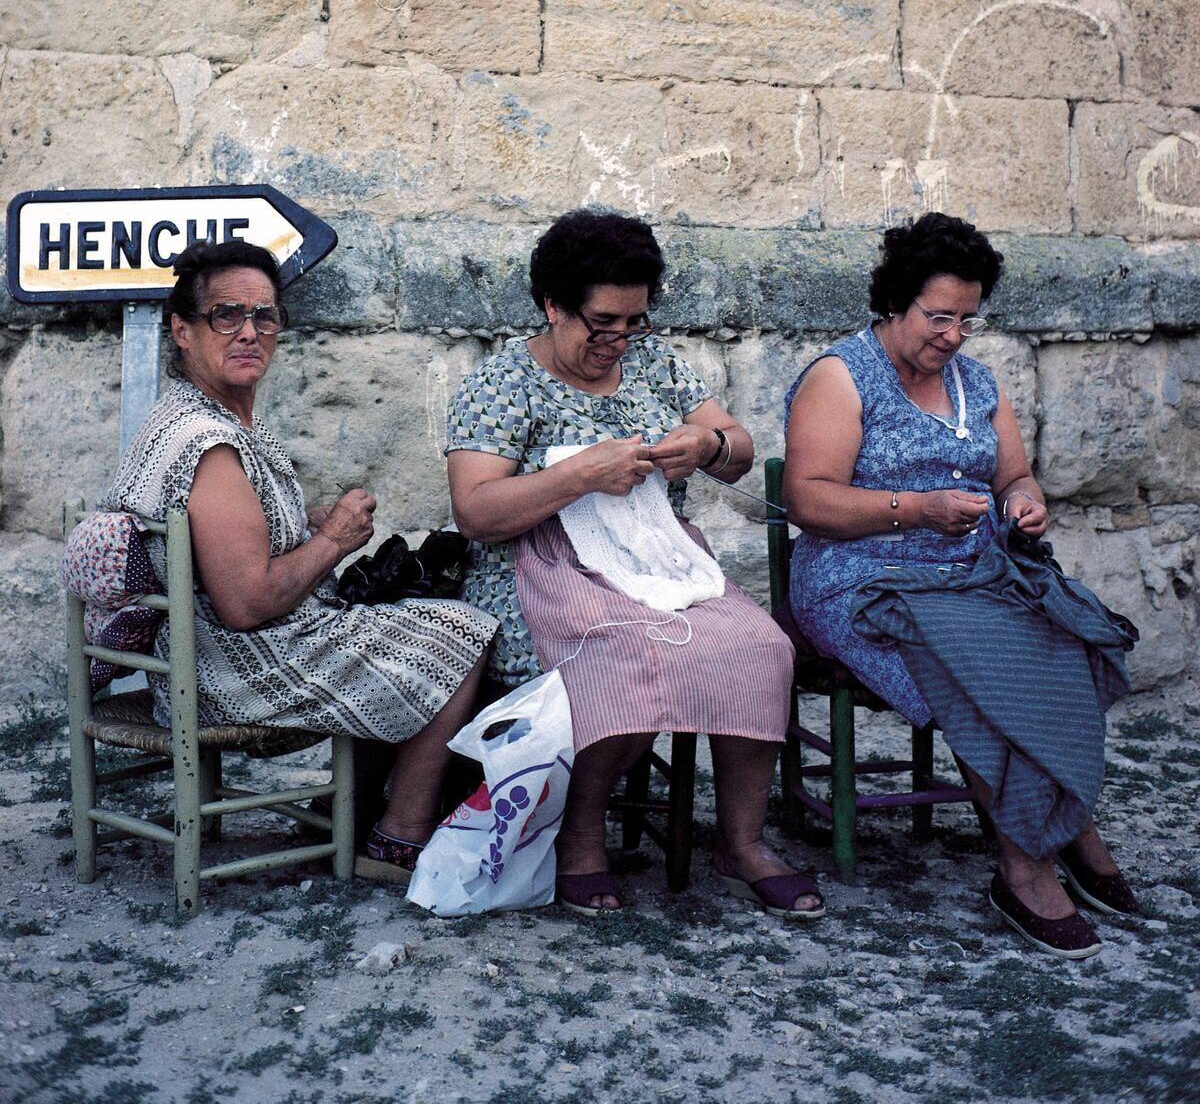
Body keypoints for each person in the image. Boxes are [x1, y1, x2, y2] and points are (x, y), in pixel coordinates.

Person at [446, 208, 821, 919]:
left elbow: (738, 452)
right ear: (553, 306)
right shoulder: (501, 385)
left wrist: (707, 447)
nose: (618, 340)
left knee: (761, 646)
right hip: (543, 569)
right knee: (620, 653)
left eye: (634, 321)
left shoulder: (653, 364)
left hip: (655, 557)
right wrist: (581, 474)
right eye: (602, 322)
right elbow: (476, 512)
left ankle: (740, 842)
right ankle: (581, 837)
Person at [783, 212, 1138, 959]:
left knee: (1063, 636)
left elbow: (1013, 472)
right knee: (981, 665)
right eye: (938, 317)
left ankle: (1067, 820)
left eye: (967, 320)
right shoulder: (842, 376)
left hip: (974, 570)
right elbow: (808, 501)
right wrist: (916, 509)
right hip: (864, 578)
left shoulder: (977, 383)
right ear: (894, 303)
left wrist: (1023, 502)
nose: (952, 336)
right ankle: (1024, 862)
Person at [101, 238, 496, 874]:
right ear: (181, 330)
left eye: (265, 316)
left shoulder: (194, 418)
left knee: (408, 613)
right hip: (226, 671)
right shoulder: (209, 444)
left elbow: (227, 538)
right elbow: (248, 602)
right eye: (225, 315)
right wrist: (333, 541)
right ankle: (399, 835)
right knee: (465, 630)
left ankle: (360, 805)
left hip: (201, 654)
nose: (249, 332)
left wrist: (299, 525)